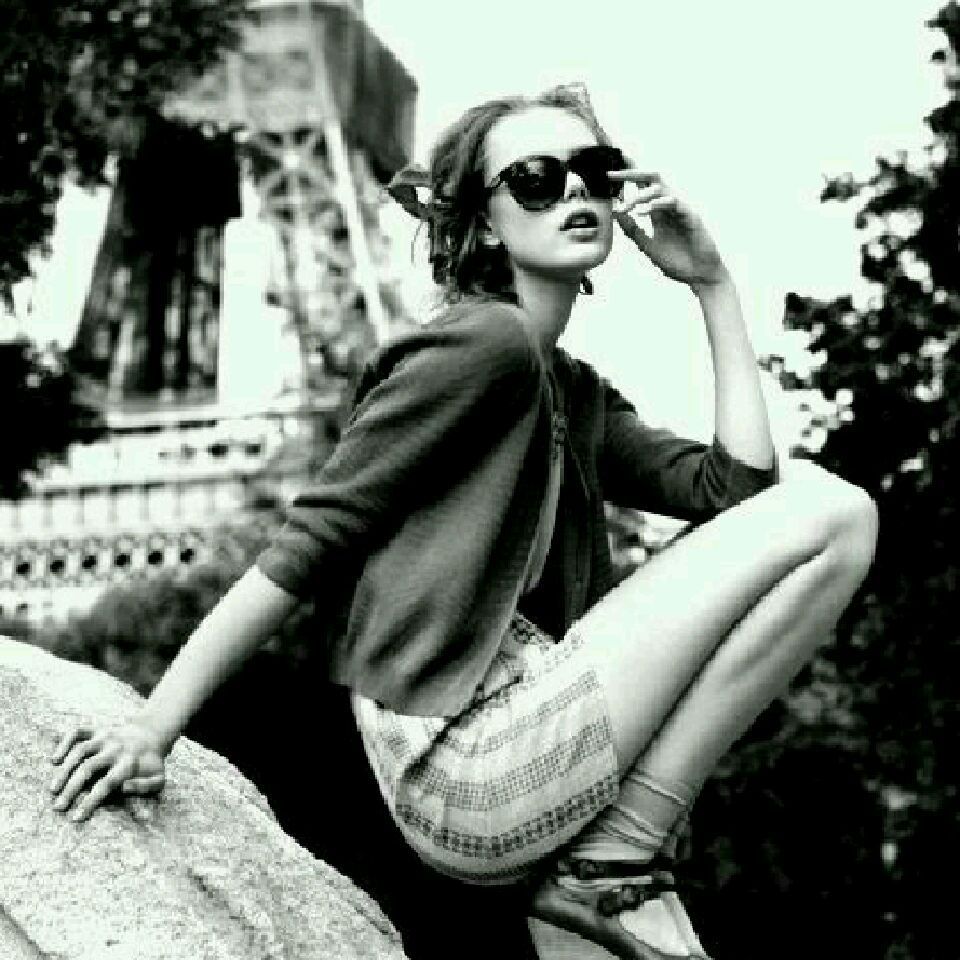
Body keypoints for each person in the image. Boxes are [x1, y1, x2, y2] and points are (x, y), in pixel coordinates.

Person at [48, 85, 878, 960]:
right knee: (837, 508)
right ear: (482, 225)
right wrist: (151, 729)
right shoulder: (486, 344)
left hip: (529, 756)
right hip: (464, 761)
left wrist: (711, 282)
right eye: (535, 179)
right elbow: (310, 545)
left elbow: (738, 497)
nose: (574, 192)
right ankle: (622, 855)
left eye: (594, 172)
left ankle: (610, 865)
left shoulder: (568, 387)